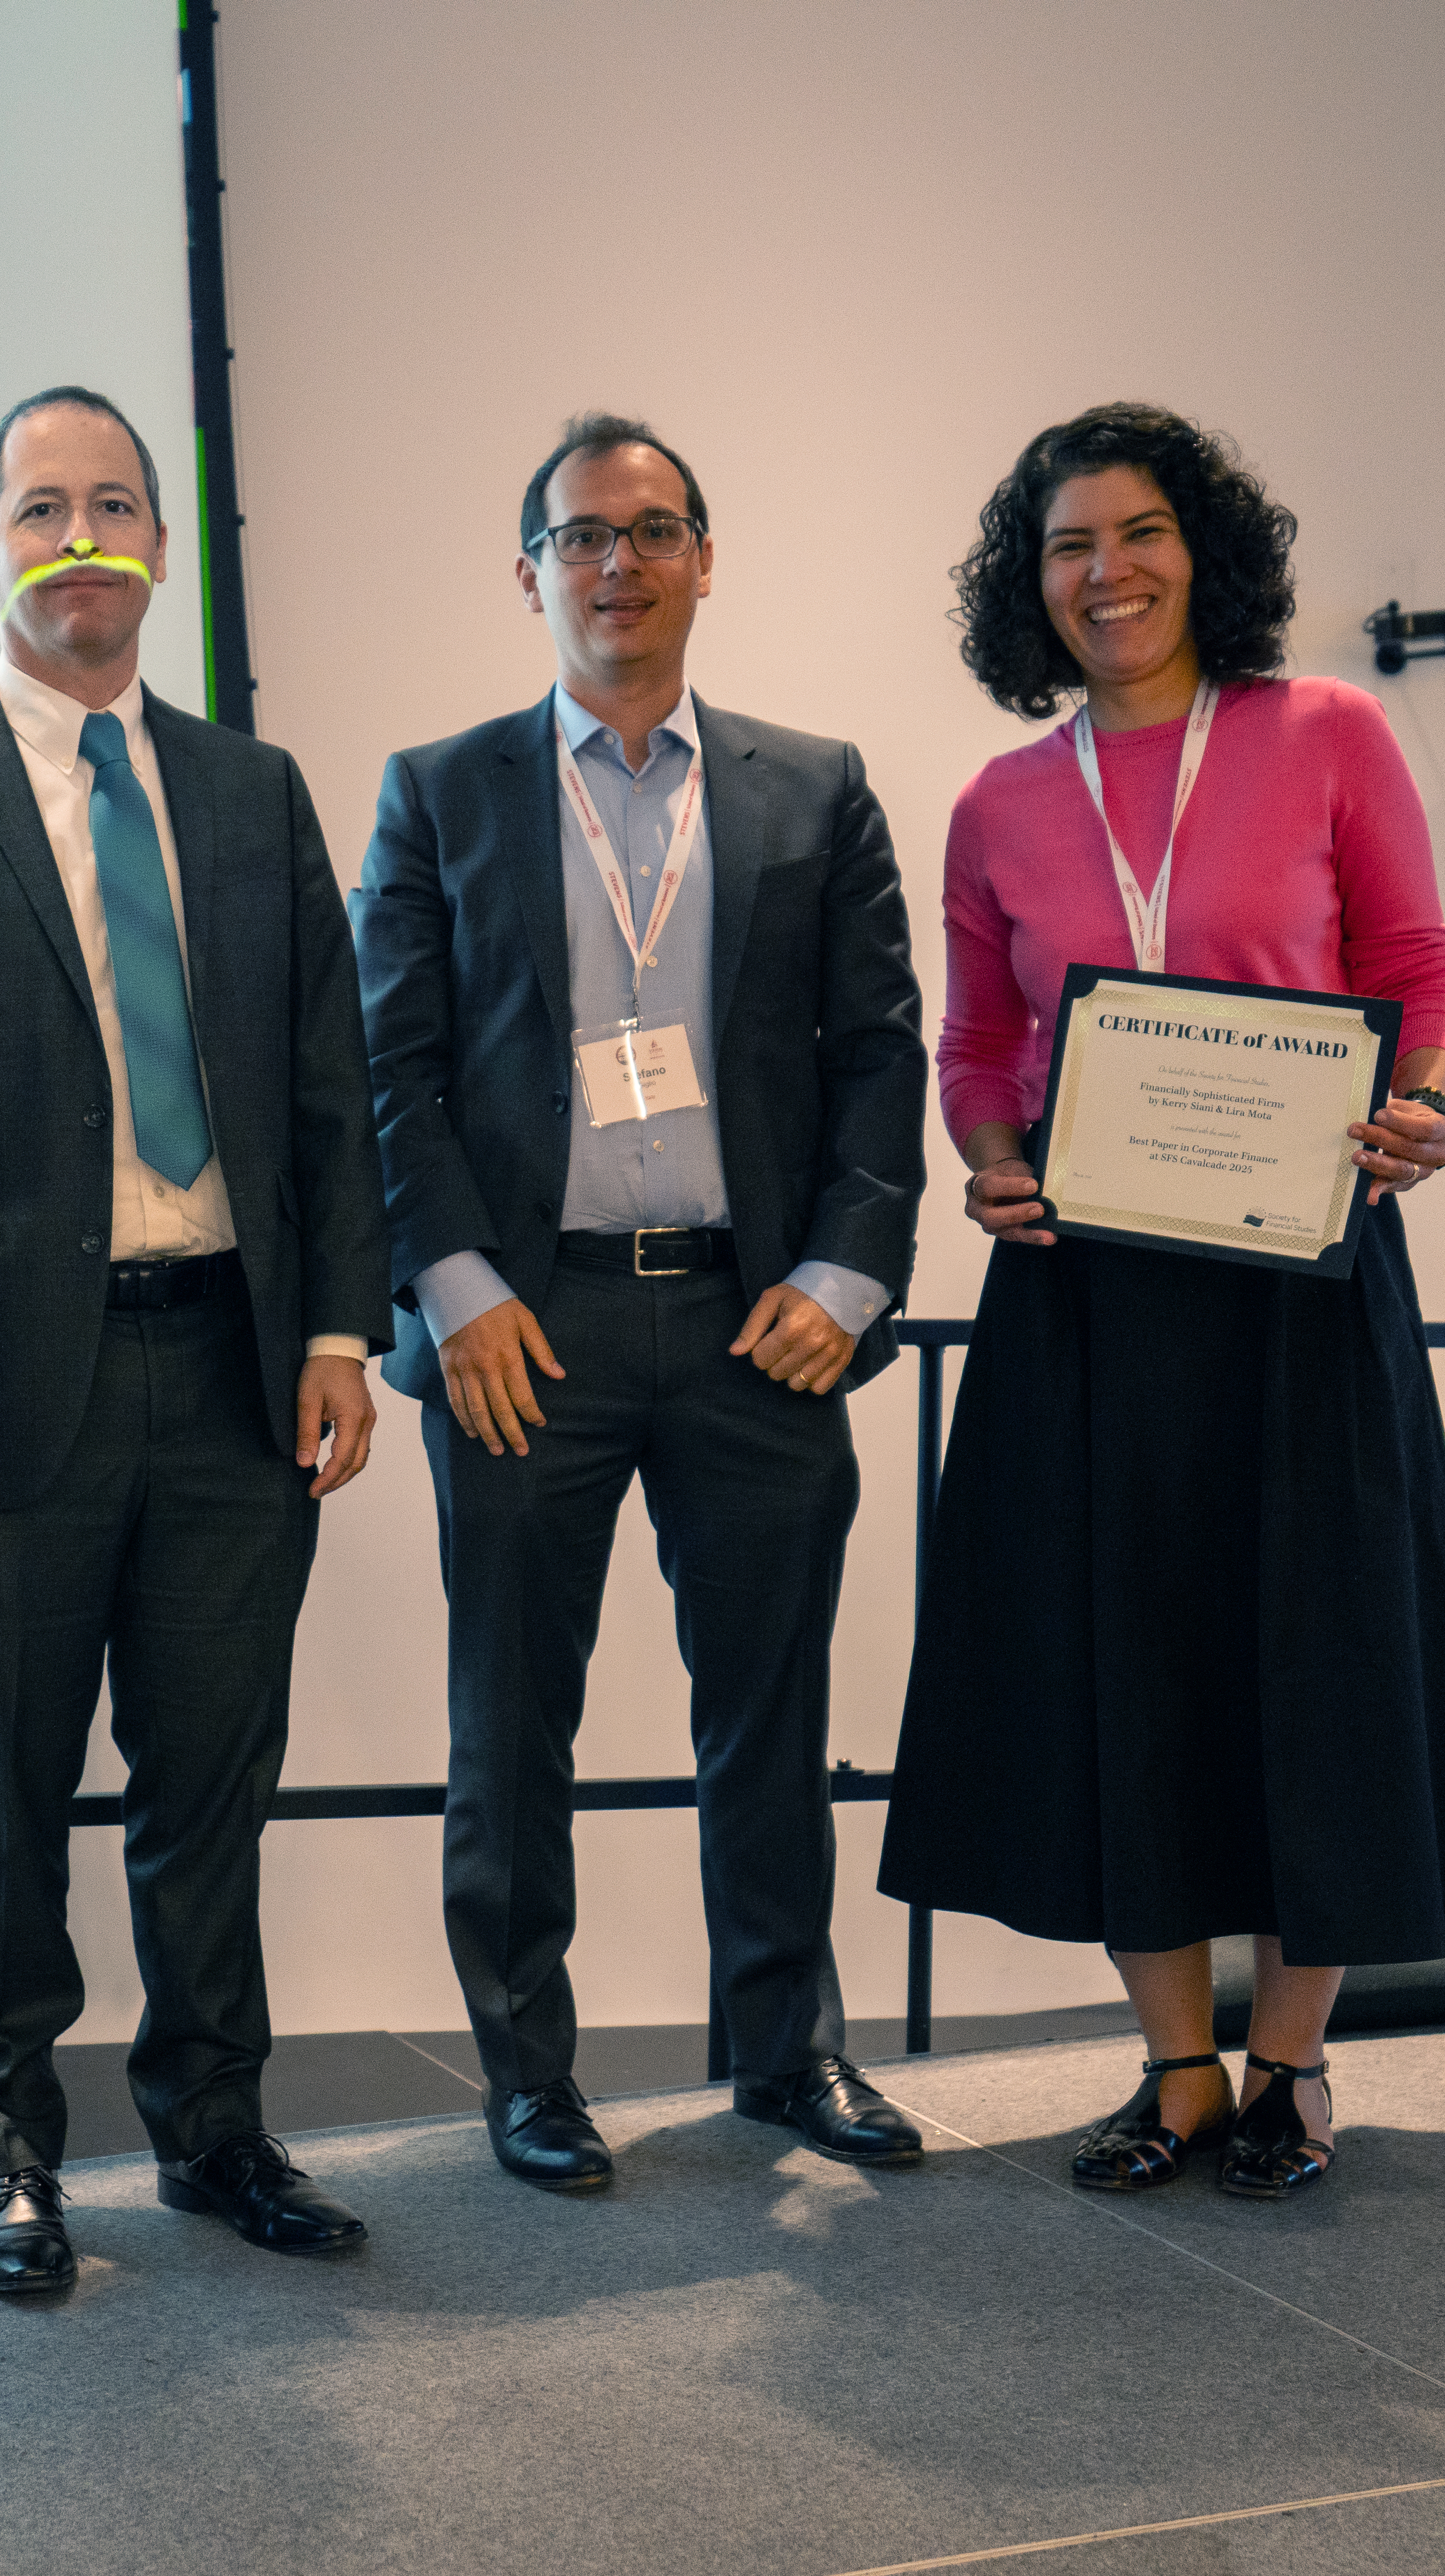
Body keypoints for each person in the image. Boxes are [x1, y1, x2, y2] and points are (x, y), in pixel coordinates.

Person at [879, 402, 1445, 2200]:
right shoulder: (1000, 802)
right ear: (1034, 585)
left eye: (1142, 532)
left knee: (1316, 1655)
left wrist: (1431, 1100)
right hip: (1089, 1299)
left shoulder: (1325, 732)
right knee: (1126, 1667)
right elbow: (983, 1034)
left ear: (1206, 550)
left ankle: (1291, 2069)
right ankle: (1174, 2069)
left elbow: (1418, 969)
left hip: (1301, 1288)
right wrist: (990, 1152)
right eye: (1072, 544)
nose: (1110, 571)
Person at [0, 385, 395, 2295]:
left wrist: (334, 1330)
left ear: (158, 542)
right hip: (2, 1395)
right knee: (6, 1798)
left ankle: (215, 2130)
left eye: (116, 506)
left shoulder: (250, 791)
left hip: (231, 1371)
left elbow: (327, 1086)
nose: (82, 537)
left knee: (211, 1784)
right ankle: (6, 2155)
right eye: (41, 510)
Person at [357, 413, 931, 2194]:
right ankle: (530, 2073)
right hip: (533, 1335)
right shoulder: (439, 788)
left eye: (654, 529)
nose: (619, 562)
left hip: (764, 1329)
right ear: (528, 569)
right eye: (582, 535)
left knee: (770, 1710)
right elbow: (394, 1069)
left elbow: (878, 1053)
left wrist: (847, 1275)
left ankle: (787, 2051)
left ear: (705, 558)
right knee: (510, 1719)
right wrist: (453, 1294)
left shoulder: (811, 786)